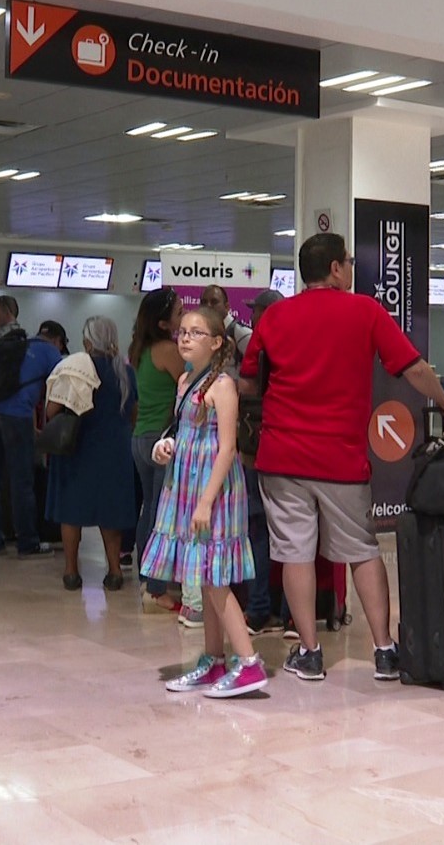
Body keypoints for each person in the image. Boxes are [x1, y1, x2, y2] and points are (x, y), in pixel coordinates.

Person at [240, 233, 444, 682]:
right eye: (347, 262)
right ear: (336, 269)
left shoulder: (275, 316)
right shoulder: (365, 310)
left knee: (295, 553)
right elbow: (413, 367)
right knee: (361, 550)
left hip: (282, 457)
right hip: (340, 458)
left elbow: (249, 382)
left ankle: (309, 652)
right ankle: (383, 650)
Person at [144, 307, 265, 698]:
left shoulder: (223, 386)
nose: (185, 338)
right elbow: (188, 433)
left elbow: (226, 448)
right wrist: (168, 446)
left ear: (216, 343)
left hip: (214, 492)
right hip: (186, 487)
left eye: (196, 333)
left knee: (215, 577)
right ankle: (214, 660)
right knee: (203, 575)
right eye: (182, 331)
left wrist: (206, 502)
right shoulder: (184, 382)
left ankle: (248, 663)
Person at [45, 317, 138, 591]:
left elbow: (51, 411)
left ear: (87, 341)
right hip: (115, 450)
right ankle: (115, 570)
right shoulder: (125, 371)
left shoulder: (75, 368)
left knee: (72, 510)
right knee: (110, 512)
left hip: (77, 448)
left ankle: (71, 572)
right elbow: (132, 413)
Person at [0, 296, 60, 558]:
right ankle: (27, 543)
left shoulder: (10, 345)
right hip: (16, 417)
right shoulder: (49, 352)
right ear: (57, 340)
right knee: (21, 480)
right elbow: (63, 385)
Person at [128, 289, 186, 614]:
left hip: (140, 438)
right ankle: (156, 586)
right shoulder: (167, 350)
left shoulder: (141, 349)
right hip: (160, 439)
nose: (183, 318)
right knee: (159, 514)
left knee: (149, 508)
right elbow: (189, 387)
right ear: (163, 323)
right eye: (179, 313)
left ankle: (147, 577)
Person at [236, 289, 285, 634]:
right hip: (290, 448)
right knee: (290, 534)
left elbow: (248, 387)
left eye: (256, 311)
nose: (251, 318)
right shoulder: (298, 343)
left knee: (258, 530)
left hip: (257, 449)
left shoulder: (260, 344)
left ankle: (259, 608)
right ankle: (291, 613)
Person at [198, 284, 253, 375]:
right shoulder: (202, 334)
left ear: (227, 307)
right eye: (204, 302)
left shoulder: (242, 333)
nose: (208, 306)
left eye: (214, 302)